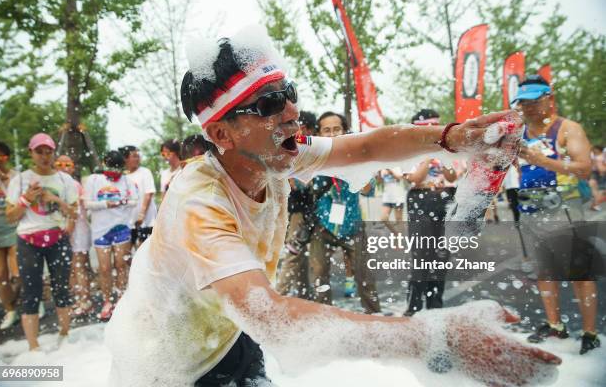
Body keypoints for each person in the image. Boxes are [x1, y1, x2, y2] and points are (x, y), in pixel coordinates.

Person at [105, 30, 560, 386]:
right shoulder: (198, 203)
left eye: (288, 93)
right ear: (222, 136)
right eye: (267, 104)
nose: (289, 113)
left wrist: (451, 138)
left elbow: (362, 148)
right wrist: (434, 339)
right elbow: (272, 316)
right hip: (171, 371)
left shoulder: (273, 152)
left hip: (229, 335)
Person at [513, 75, 600, 355]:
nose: (527, 108)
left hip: (566, 208)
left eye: (533, 102)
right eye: (523, 103)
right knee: (545, 270)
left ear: (549, 99)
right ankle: (555, 326)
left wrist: (544, 161)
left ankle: (590, 333)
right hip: (532, 208)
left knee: (579, 273)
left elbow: (584, 168)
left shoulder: (567, 129)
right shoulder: (520, 132)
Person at [5, 133, 78, 350]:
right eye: (39, 151)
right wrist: (27, 198)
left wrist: (55, 200)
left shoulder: (65, 180)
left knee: (61, 289)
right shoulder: (19, 180)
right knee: (31, 291)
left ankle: (65, 337)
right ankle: (33, 348)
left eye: (49, 151)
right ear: (31, 153)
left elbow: (75, 213)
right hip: (28, 240)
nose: (45, 156)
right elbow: (10, 216)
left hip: (57, 238)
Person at [310, 111, 380, 310]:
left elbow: (369, 190)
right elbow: (297, 187)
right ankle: (323, 323)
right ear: (319, 134)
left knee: (365, 277)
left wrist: (356, 170)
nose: (332, 135)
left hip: (352, 225)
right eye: (326, 130)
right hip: (321, 227)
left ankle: (375, 318)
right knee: (319, 278)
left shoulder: (356, 157)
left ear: (344, 131)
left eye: (336, 129)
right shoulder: (312, 158)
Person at [404, 109, 457, 316]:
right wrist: (428, 155)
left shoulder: (445, 150)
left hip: (444, 199)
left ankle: (436, 305)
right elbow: (415, 179)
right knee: (421, 256)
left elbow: (451, 177)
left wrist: (442, 157)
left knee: (441, 256)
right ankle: (414, 307)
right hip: (420, 200)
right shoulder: (407, 151)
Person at [84, 150, 138, 321]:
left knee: (121, 265)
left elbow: (134, 200)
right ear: (104, 164)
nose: (115, 172)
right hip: (101, 231)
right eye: (111, 167)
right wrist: (106, 204)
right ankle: (107, 301)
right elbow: (87, 204)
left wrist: (122, 202)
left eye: (118, 168)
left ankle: (122, 299)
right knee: (105, 268)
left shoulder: (127, 180)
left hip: (121, 227)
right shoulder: (93, 180)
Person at [276, 110, 318, 299]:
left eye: (297, 125)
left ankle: (285, 296)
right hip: (297, 211)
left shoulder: (312, 149)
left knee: (295, 255)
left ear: (307, 129)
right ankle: (292, 294)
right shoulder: (293, 149)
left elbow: (305, 183)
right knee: (294, 254)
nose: (293, 129)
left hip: (304, 211)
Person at [54, 155, 93, 317]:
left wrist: (69, 225)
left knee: (79, 266)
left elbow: (75, 210)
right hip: (63, 231)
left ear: (73, 167)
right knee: (70, 268)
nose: (64, 167)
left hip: (78, 231)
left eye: (67, 164)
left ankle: (85, 300)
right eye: (60, 164)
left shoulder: (74, 184)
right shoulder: (55, 184)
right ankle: (77, 298)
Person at [0, 141, 20, 330]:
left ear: (7, 158)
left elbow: (19, 198)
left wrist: (3, 178)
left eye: (0, 157)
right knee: (0, 275)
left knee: (18, 272)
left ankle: (30, 302)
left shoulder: (15, 177)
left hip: (13, 226)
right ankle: (10, 310)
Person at [119, 145, 157, 248]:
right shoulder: (123, 177)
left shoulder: (145, 172)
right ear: (125, 158)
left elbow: (148, 194)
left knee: (143, 252)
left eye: (138, 156)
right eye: (134, 156)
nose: (137, 158)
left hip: (146, 221)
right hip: (129, 222)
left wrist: (141, 214)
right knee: (126, 254)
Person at [588, 145, 605, 210]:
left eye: (596, 149)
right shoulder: (592, 155)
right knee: (593, 186)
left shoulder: (604, 155)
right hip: (594, 172)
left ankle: (595, 204)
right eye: (594, 149)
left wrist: (602, 170)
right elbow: (591, 164)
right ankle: (595, 204)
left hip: (602, 173)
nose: (594, 150)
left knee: (601, 189)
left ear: (599, 149)